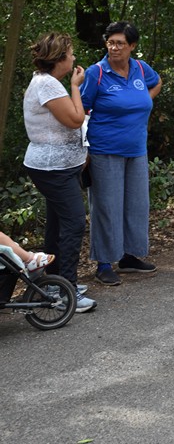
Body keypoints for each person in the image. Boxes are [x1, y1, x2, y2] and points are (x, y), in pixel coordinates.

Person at [80, 21, 162, 286]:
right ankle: (104, 263)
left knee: (136, 206)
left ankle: (128, 256)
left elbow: (157, 82)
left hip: (137, 150)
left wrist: (146, 99)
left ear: (132, 46)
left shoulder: (140, 68)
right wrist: (83, 150)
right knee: (106, 207)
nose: (114, 48)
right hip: (105, 151)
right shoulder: (97, 73)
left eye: (120, 43)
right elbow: (81, 110)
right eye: (110, 42)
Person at [23, 32, 96, 312]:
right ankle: (66, 291)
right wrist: (76, 87)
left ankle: (52, 284)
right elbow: (76, 119)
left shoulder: (46, 82)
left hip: (56, 167)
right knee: (74, 222)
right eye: (71, 53)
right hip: (53, 169)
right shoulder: (50, 86)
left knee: (56, 225)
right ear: (60, 59)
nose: (74, 58)